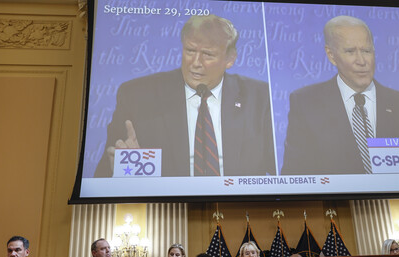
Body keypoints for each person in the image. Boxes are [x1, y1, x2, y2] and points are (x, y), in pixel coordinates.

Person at [95, 14, 275, 178]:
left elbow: (279, 173)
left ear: (230, 59)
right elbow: (105, 175)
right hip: (166, 207)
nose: (196, 63)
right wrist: (128, 168)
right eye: (190, 51)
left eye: (207, 54)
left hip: (237, 207)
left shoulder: (258, 96)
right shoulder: (138, 96)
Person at [282, 15, 399, 175]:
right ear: (331, 55)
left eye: (366, 51)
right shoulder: (306, 103)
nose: (361, 61)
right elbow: (295, 173)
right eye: (350, 51)